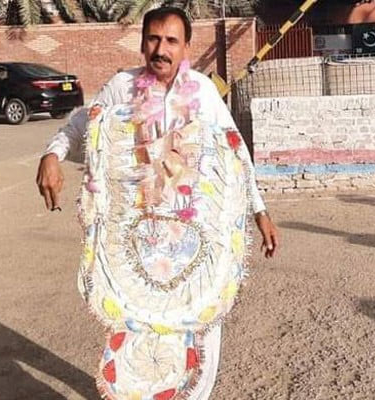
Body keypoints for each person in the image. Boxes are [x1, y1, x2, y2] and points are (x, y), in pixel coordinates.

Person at [36, 7, 279, 399]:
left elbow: (236, 152)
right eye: (153, 39)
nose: (160, 50)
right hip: (140, 243)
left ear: (186, 47)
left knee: (197, 333)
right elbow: (81, 125)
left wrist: (260, 210)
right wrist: (52, 154)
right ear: (142, 42)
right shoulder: (121, 87)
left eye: (170, 41)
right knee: (138, 335)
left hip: (196, 243)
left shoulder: (201, 93)